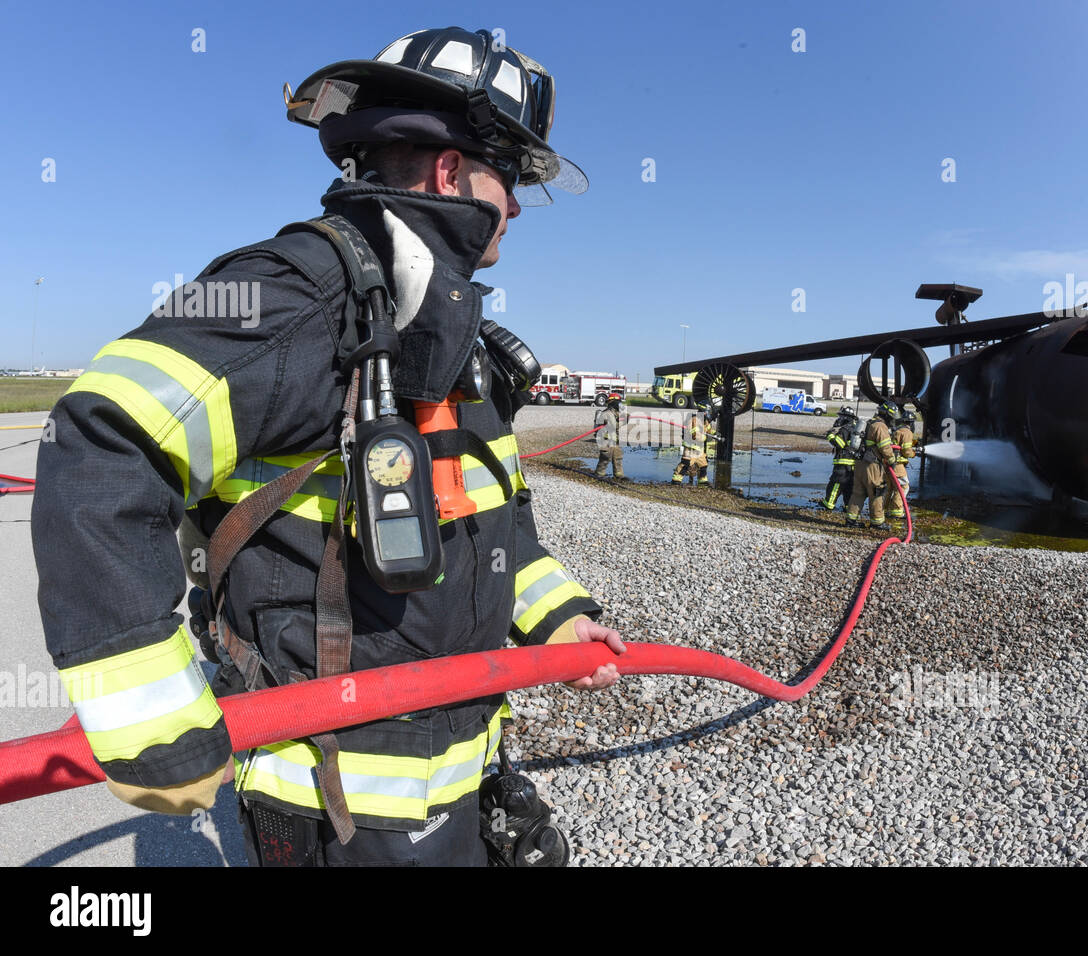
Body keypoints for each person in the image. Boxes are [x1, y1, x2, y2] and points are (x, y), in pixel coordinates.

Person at [32, 27, 623, 867]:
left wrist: (560, 617)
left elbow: (492, 517)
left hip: (455, 774)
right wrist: (148, 717)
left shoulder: (449, 331)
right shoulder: (295, 297)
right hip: (331, 802)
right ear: (453, 171)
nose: (520, 207)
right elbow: (100, 442)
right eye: (513, 178)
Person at [845, 400, 899, 530]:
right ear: (887, 415)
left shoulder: (869, 423)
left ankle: (851, 520)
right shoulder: (880, 426)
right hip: (872, 466)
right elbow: (885, 447)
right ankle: (877, 522)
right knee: (876, 493)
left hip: (860, 463)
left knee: (858, 493)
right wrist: (892, 461)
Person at [671, 405, 721, 486]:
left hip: (700, 450)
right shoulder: (694, 420)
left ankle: (702, 481)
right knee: (685, 464)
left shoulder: (705, 421)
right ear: (705, 413)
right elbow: (695, 435)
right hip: (691, 448)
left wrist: (715, 434)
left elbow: (708, 431)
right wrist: (705, 437)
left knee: (703, 465)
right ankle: (676, 480)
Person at [820, 405, 858, 510]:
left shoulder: (845, 429)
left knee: (835, 484)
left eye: (841, 416)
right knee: (849, 488)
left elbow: (839, 443)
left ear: (846, 417)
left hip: (843, 464)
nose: (839, 418)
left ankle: (828, 504)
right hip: (853, 465)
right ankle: (848, 507)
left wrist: (830, 436)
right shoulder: (855, 428)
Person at [886, 411, 918, 520]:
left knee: (890, 487)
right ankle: (897, 512)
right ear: (910, 422)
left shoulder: (897, 430)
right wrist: (914, 453)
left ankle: (885, 509)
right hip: (898, 465)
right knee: (903, 486)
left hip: (889, 463)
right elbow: (906, 451)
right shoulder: (907, 432)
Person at [594, 394, 625, 478]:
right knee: (605, 458)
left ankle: (619, 475)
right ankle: (599, 474)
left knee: (617, 458)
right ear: (612, 403)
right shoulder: (606, 413)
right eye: (617, 403)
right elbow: (611, 425)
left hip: (615, 440)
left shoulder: (618, 413)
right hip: (605, 440)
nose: (619, 405)